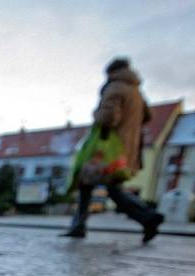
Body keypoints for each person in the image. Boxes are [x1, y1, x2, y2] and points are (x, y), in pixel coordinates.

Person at [63, 58, 164, 243]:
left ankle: (79, 225)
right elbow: (148, 115)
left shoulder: (115, 87)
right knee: (111, 188)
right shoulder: (136, 92)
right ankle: (147, 217)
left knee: (87, 183)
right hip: (127, 149)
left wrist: (97, 114)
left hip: (106, 147)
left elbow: (108, 117)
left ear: (111, 72)